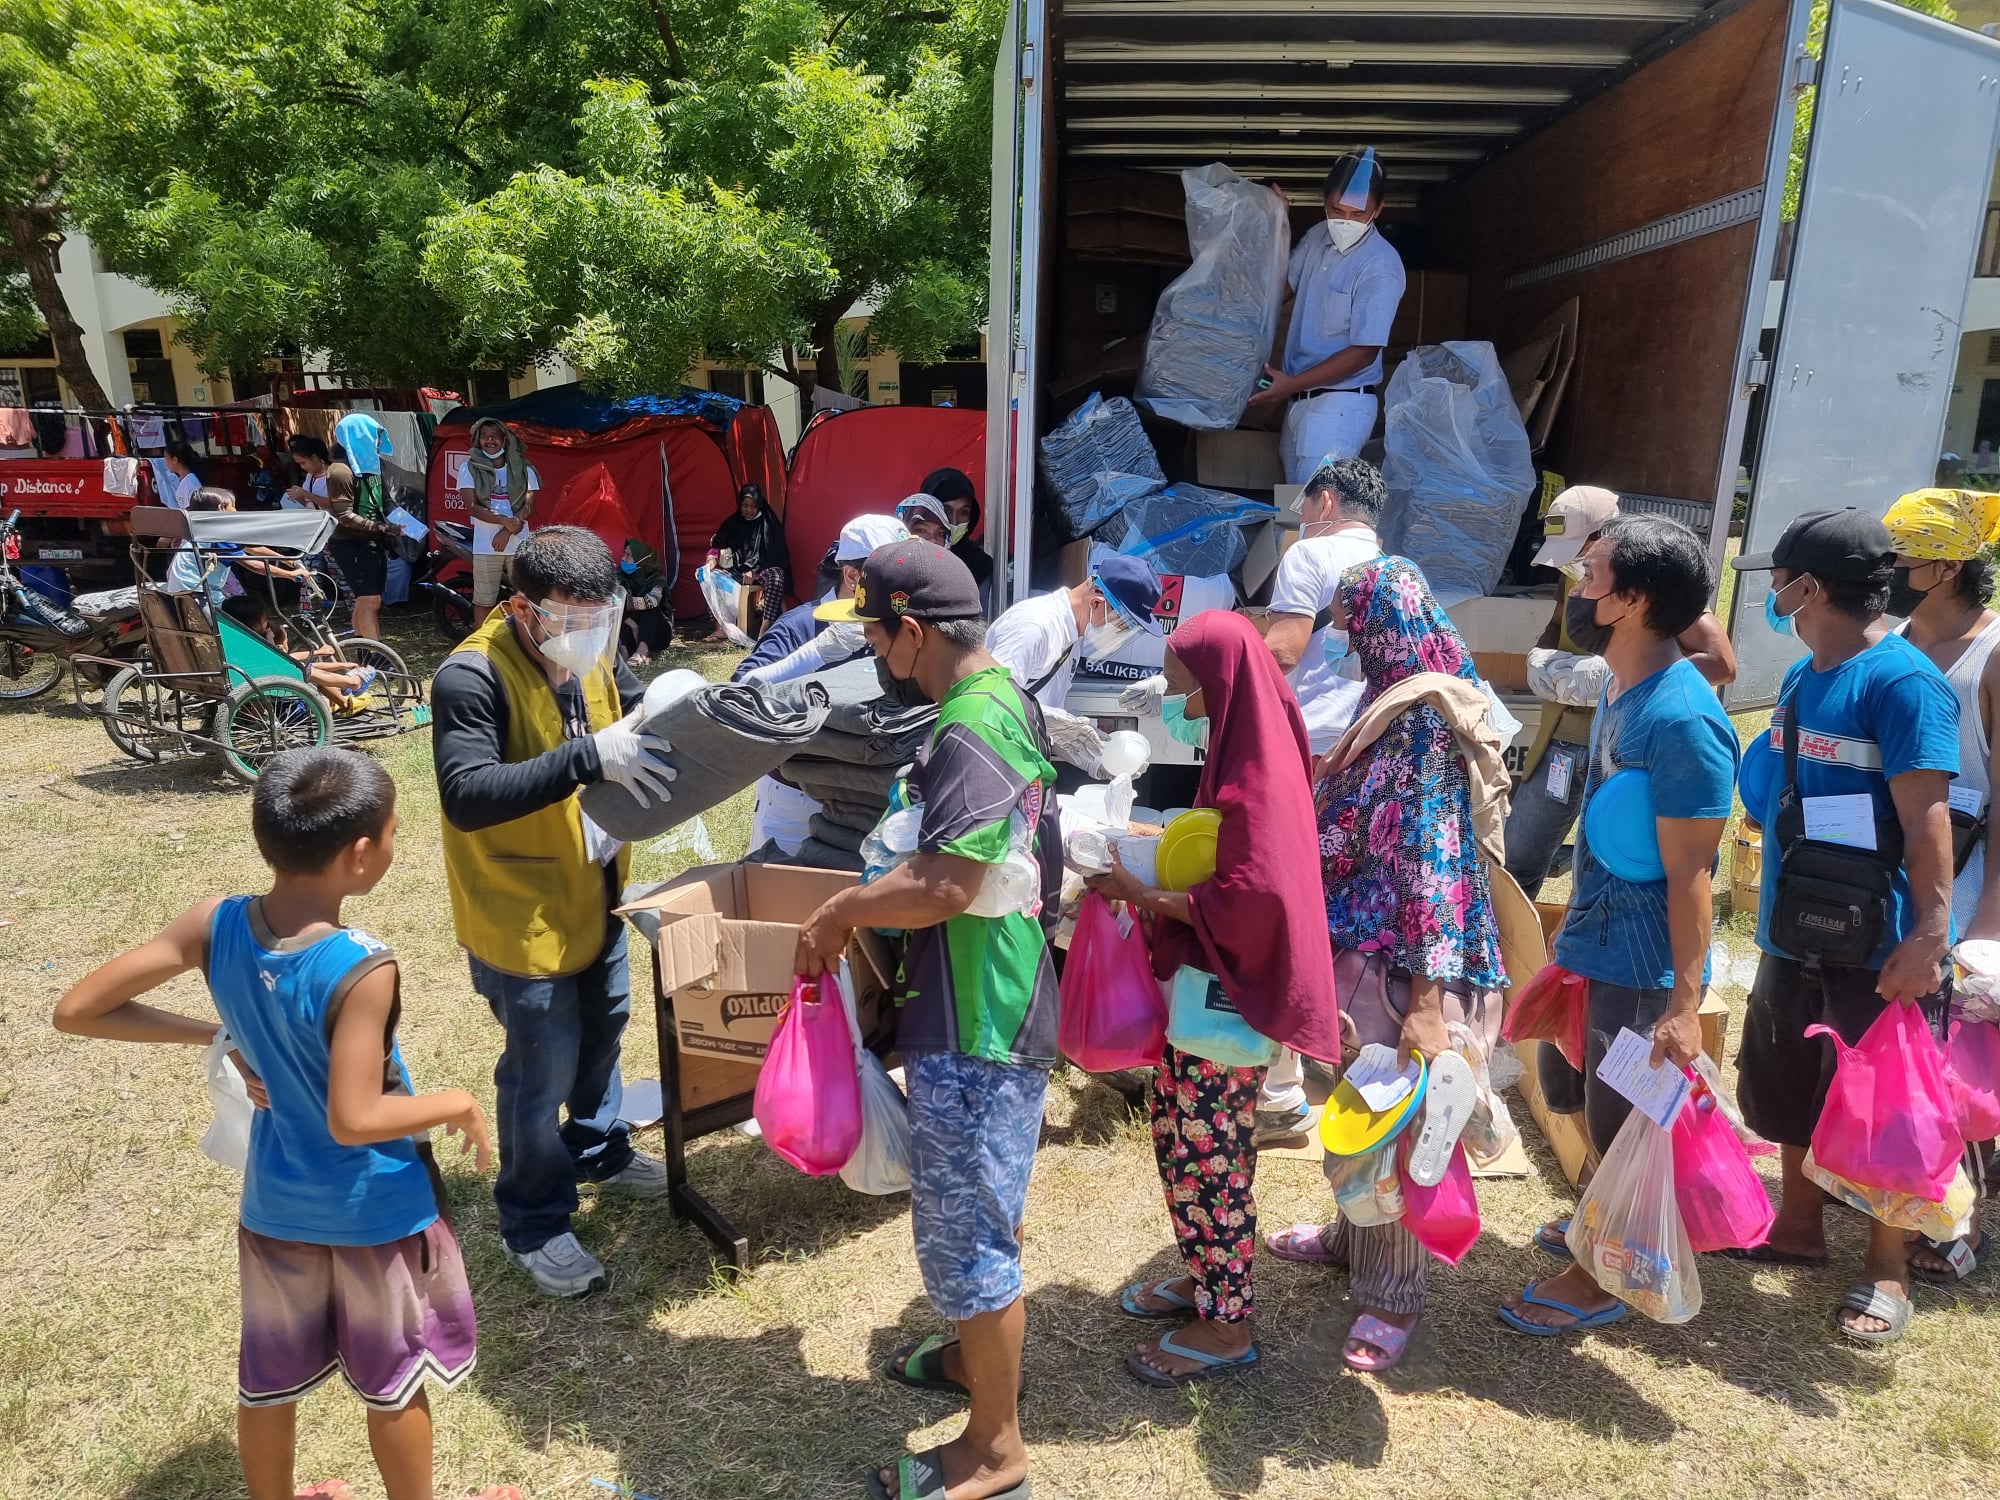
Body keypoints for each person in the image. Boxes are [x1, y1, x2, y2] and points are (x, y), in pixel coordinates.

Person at [51, 747, 500, 1500]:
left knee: (269, 1377)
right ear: (361, 853)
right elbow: (356, 1116)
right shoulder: (361, 963)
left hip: (276, 1208)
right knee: (394, 1384)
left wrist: (219, 1031)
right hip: (376, 1211)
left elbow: (76, 1010)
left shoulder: (213, 923)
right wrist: (455, 1100)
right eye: (393, 831)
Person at [793, 540, 1057, 1500]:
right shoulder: (991, 701)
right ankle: (966, 1360)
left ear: (912, 631)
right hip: (977, 999)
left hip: (981, 1020)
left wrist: (840, 913)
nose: (865, 646)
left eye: (870, 629)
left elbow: (947, 883)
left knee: (969, 1236)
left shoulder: (973, 725)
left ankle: (995, 1450)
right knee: (979, 1212)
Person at [1495, 517, 1740, 1336]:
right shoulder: (1617, 687)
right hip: (1599, 940)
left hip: (1643, 961)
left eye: (1590, 575)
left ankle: (1604, 1277)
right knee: (1581, 1095)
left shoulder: (1682, 720)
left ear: (1632, 602)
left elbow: (1693, 875)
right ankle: (1601, 1230)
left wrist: (1683, 1001)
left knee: (1625, 1113)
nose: (1575, 589)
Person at [1083, 611, 1342, 1386]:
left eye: (1182, 679)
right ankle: (1205, 1280)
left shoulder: (1254, 775)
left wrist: (1140, 890)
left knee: (1210, 1153)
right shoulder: (1245, 748)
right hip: (1211, 990)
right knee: (1177, 1129)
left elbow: (1251, 900)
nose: (1174, 695)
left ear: (1219, 680)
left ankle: (1228, 1324)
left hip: (1233, 999)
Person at [1262, 556, 1505, 1372]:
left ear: (1381, 628)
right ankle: (1349, 1234)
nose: (1343, 641)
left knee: (1393, 1128)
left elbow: (1430, 864)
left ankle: (1391, 1296)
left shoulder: (1425, 719)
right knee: (1350, 1112)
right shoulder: (1394, 700)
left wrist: (1429, 1003)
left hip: (1405, 968)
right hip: (1362, 949)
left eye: (1352, 626)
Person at [1728, 508, 1958, 1344]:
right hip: (1797, 919)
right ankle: (1796, 1228)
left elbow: (1928, 816)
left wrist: (1929, 934)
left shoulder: (1902, 684)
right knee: (1790, 1080)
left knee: (1878, 1106)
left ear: (1811, 587)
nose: (1776, 596)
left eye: (1781, 581)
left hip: (1877, 936)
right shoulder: (1802, 676)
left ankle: (1887, 1269)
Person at [431, 526, 680, 1298]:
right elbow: (466, 794)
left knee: (605, 1031)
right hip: (519, 908)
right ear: (521, 608)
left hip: (598, 888)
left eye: (599, 618)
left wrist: (684, 715)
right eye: (569, 622)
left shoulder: (594, 647)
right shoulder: (470, 676)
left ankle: (598, 1144)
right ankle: (534, 1215)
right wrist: (588, 757)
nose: (587, 637)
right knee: (541, 1069)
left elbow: (638, 712)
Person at [1505, 486, 1738, 897]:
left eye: (1585, 560)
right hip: (1564, 738)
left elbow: (1722, 664)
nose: (1577, 574)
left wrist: (1622, 677)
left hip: (1624, 742)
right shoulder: (1576, 579)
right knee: (1519, 855)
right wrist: (1542, 659)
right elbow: (1558, 627)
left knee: (1608, 863)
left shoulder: (1650, 585)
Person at [1250, 456, 1389, 1142]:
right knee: (1353, 901)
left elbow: (1280, 650)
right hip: (1373, 751)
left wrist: (1216, 662)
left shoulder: (1308, 555)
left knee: (1290, 903)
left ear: (1326, 500)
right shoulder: (1392, 567)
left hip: (1307, 753)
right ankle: (1354, 1052)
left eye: (1307, 503)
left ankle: (1280, 1083)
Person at [1883, 486, 2000, 1280]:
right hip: (1894, 871)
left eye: (1900, 560)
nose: (1886, 572)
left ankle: (1966, 1219)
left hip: (1975, 878)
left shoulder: (1991, 657)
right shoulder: (1892, 641)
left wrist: (1987, 927)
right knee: (1896, 1040)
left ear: (1947, 567)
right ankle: (1887, 1180)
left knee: (1966, 1059)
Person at [1245, 149, 1406, 485]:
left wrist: (1291, 384)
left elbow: (1365, 351)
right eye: (1337, 209)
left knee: (1318, 516)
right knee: (1294, 514)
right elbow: (1280, 289)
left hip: (1339, 409)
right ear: (1324, 203)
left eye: (1357, 213)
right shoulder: (1319, 234)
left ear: (1377, 210)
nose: (1345, 220)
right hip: (1300, 402)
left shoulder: (1380, 266)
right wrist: (1276, 223)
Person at [984, 552, 1162, 774]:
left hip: (1020, 768)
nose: (1118, 633)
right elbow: (989, 702)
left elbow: (1043, 708)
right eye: (1122, 626)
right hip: (991, 767)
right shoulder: (1034, 626)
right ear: (1096, 602)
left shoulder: (1072, 637)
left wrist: (1095, 758)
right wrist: (1046, 720)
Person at [736, 513, 910, 686]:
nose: (905, 584)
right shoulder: (798, 626)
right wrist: (815, 654)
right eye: (892, 574)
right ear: (852, 577)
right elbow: (740, 687)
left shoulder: (904, 621)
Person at [455, 418, 539, 612]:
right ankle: (481, 643)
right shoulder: (469, 468)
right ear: (478, 440)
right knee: (483, 602)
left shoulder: (524, 469)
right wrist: (504, 521)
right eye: (484, 436)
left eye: (495, 436)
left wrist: (506, 531)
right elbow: (472, 507)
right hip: (486, 545)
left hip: (519, 545)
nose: (489, 440)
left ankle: (522, 641)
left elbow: (529, 506)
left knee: (525, 601)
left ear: (505, 439)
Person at [320, 461, 396, 642]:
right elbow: (344, 516)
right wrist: (382, 528)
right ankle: (376, 653)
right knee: (368, 600)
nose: (378, 444)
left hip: (372, 540)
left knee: (369, 600)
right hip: (351, 542)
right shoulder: (341, 470)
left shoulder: (372, 466)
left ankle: (364, 649)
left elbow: (383, 502)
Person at [706, 482, 788, 640]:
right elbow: (717, 545)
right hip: (736, 570)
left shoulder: (768, 524)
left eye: (752, 506)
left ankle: (765, 627)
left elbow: (775, 555)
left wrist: (755, 570)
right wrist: (710, 561)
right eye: (745, 505)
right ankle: (720, 627)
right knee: (711, 577)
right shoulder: (733, 522)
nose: (749, 510)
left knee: (777, 576)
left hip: (762, 569)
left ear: (759, 505)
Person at [922, 466, 995, 615]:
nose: (954, 521)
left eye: (964, 512)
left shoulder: (979, 564)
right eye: (946, 510)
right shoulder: (903, 556)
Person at [617, 539, 671, 668]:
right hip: (631, 628)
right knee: (615, 613)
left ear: (642, 560)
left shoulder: (657, 580)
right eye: (624, 553)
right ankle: (623, 651)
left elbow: (651, 602)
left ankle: (642, 651)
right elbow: (612, 602)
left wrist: (624, 604)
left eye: (628, 555)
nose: (623, 558)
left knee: (650, 609)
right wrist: (634, 626)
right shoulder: (620, 576)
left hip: (658, 632)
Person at [163, 441, 203, 510]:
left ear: (175, 460)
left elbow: (194, 509)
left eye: (166, 459)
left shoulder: (190, 482)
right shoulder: (183, 480)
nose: (166, 464)